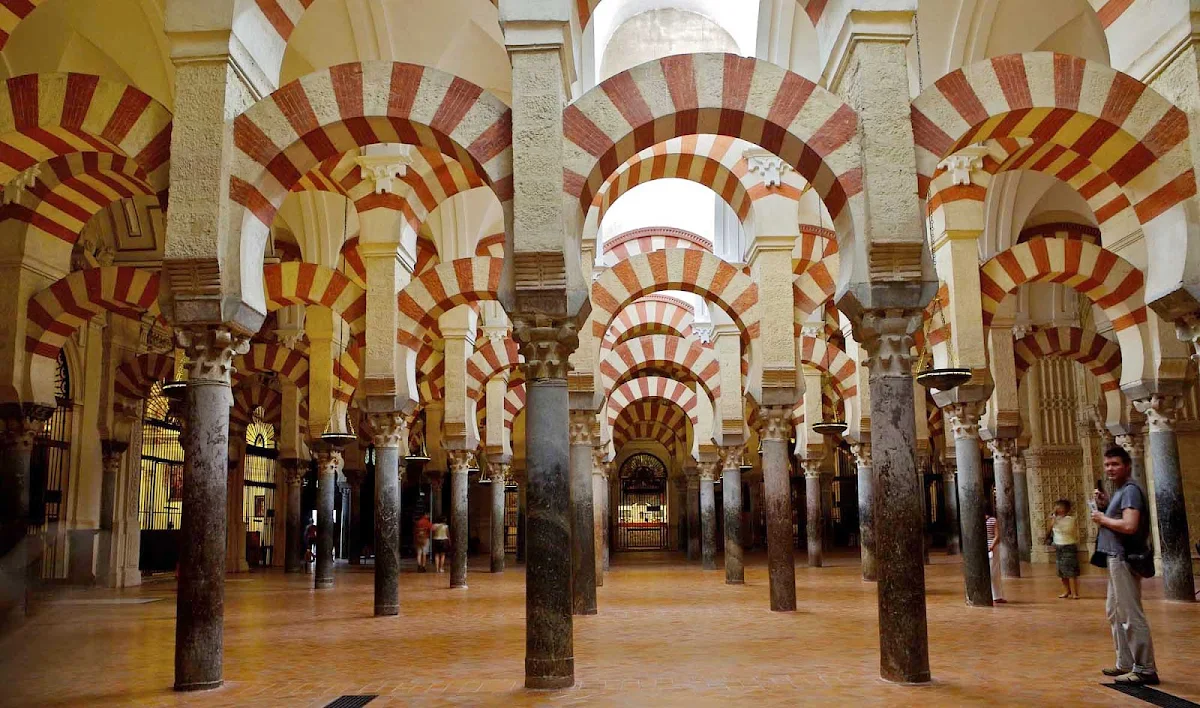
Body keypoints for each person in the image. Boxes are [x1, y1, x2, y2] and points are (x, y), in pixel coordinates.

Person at [1092, 446, 1158, 686]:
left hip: (1122, 558)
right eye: (1107, 464)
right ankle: (1126, 662)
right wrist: (1105, 505)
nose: (1110, 469)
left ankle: (1145, 668)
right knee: (1115, 610)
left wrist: (1102, 518)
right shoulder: (1121, 491)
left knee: (1130, 612)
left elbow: (1129, 526)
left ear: (1127, 465)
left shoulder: (1130, 490)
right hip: (1114, 557)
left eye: (1115, 464)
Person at [1047, 499, 1080, 599]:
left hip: (1068, 546)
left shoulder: (1071, 519)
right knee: (1061, 571)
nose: (1057, 509)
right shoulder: (1054, 520)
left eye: (1059, 507)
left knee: (1071, 571)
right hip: (1058, 546)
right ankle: (1066, 591)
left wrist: (1055, 520)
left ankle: (1075, 593)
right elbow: (1049, 530)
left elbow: (1067, 530)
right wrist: (1052, 520)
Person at [986, 506, 1006, 604]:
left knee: (993, 572)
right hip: (988, 548)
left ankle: (995, 596)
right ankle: (993, 595)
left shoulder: (992, 520)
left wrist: (991, 546)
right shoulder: (991, 520)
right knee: (991, 572)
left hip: (990, 548)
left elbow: (997, 535)